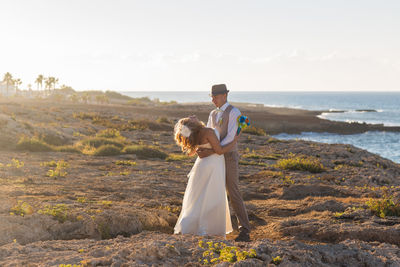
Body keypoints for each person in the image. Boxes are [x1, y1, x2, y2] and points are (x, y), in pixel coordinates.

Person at [197, 84, 251, 242]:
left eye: (216, 96)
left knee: (233, 191)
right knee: (212, 190)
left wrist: (214, 150)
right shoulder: (213, 113)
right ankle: (210, 227)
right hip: (215, 157)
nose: (213, 99)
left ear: (225, 96)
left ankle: (245, 230)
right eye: (212, 97)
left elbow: (231, 137)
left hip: (228, 156)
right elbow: (209, 132)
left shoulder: (234, 112)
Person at [173, 115, 240, 237]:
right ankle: (208, 229)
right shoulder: (207, 131)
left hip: (202, 166)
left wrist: (204, 150)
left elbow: (192, 152)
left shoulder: (196, 134)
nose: (193, 116)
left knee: (198, 197)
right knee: (212, 196)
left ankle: (191, 226)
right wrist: (234, 140)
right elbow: (219, 150)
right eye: (190, 118)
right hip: (213, 165)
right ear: (191, 124)